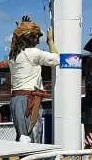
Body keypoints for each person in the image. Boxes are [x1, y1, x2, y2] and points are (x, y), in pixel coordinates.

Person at [8, 15, 58, 143]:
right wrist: (50, 41)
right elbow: (57, 59)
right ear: (30, 38)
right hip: (29, 100)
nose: (38, 40)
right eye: (36, 37)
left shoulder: (13, 56)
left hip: (16, 99)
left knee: (22, 138)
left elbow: (15, 42)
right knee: (33, 137)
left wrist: (22, 27)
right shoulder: (33, 53)